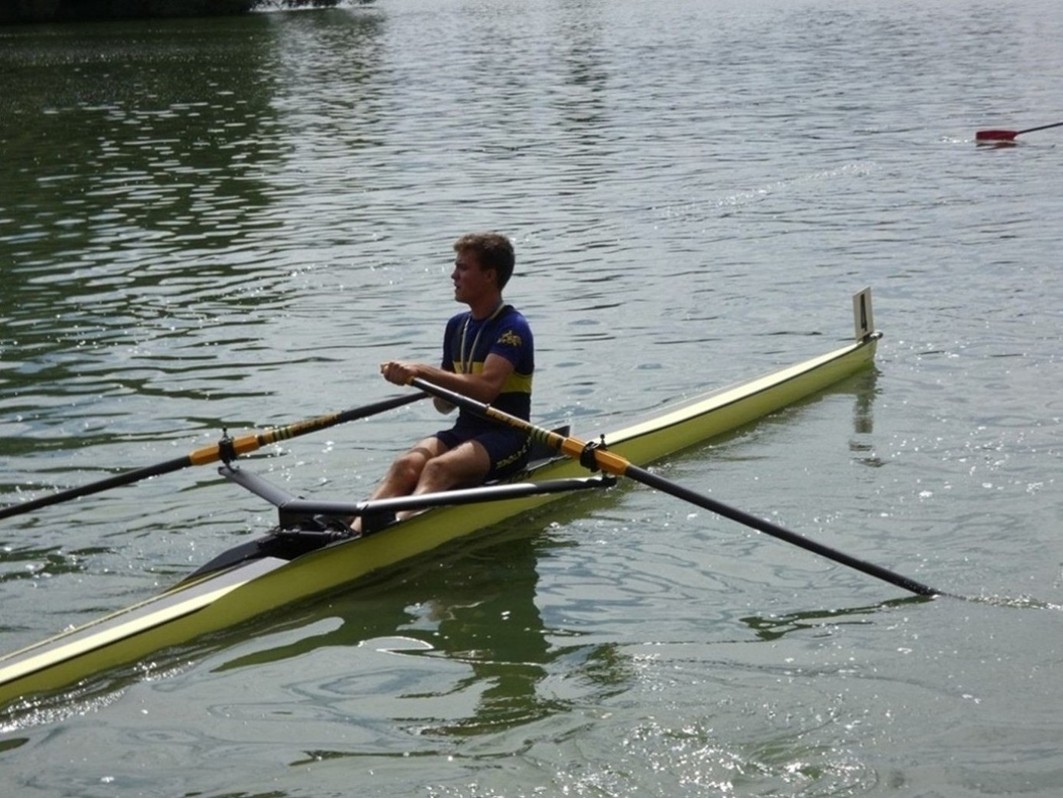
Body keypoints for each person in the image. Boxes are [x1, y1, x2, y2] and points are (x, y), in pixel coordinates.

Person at [354, 232, 534, 532]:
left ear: (489, 276)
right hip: (465, 431)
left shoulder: (512, 328)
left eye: (463, 268)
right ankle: (353, 531)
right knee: (404, 465)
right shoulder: (457, 327)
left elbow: (486, 390)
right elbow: (444, 406)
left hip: (509, 436)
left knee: (437, 468)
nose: (453, 275)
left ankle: (396, 534)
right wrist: (419, 382)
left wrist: (423, 371)